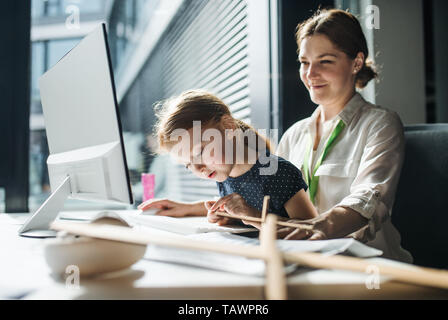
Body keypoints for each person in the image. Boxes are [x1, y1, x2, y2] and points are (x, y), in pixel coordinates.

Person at [138, 90, 317, 223]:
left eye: (200, 152)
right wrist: (188, 208)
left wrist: (253, 217)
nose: (198, 168)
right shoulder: (224, 172)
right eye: (188, 165)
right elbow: (244, 199)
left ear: (229, 127)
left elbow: (311, 227)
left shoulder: (276, 173)